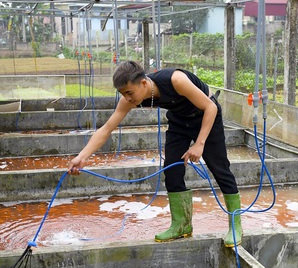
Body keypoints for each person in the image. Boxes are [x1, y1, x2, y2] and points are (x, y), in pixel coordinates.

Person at [67, 60, 242, 247]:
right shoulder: (131, 97)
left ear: (143, 83)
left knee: (220, 169)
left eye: (129, 93)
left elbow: (211, 107)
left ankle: (235, 226)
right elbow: (107, 128)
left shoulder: (175, 80)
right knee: (171, 170)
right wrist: (82, 157)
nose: (127, 99)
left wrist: (199, 144)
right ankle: (181, 225)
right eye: (122, 94)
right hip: (180, 122)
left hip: (206, 116)